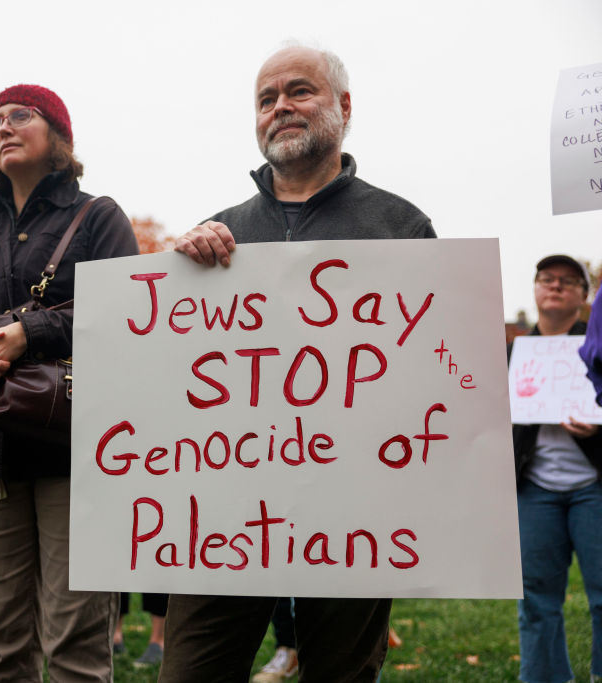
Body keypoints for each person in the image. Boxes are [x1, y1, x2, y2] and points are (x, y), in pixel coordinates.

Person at [160, 45, 435, 683]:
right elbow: (171, 376)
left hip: (354, 510)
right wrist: (177, 273)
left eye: (299, 90)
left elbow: (431, 373)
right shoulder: (217, 234)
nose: (280, 106)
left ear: (344, 106)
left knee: (341, 671)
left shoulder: (400, 226)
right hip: (224, 509)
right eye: (266, 98)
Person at [0, 84, 138, 682]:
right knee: (2, 649)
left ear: (59, 136)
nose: (3, 127)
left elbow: (125, 313)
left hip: (75, 455)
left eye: (21, 115)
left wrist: (29, 332)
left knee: (75, 648)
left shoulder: (98, 217)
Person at [511, 254, 602, 683]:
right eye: (547, 278)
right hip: (534, 488)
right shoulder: (512, 354)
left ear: (584, 296)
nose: (556, 286)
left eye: (568, 280)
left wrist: (598, 427)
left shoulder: (598, 348)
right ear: (535, 289)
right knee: (535, 598)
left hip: (595, 485)